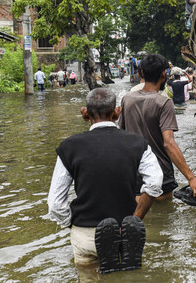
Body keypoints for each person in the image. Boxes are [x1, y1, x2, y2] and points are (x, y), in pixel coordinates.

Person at [47, 88, 163, 273]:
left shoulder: (69, 147)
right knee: (128, 276)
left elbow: (54, 204)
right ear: (117, 112)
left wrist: (74, 224)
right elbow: (155, 182)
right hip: (125, 231)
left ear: (84, 113)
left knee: (89, 277)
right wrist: (135, 218)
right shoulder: (138, 143)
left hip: (85, 233)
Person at [119, 54, 196, 200]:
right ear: (164, 74)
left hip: (134, 172)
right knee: (164, 214)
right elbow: (169, 143)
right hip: (160, 172)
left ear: (141, 74)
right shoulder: (164, 103)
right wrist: (191, 178)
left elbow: (121, 137)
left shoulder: (127, 99)